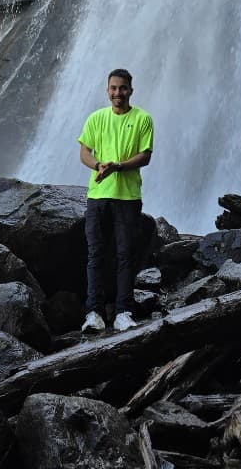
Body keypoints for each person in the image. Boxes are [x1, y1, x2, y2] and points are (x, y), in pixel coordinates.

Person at [78, 68, 154, 333]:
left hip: (128, 197)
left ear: (130, 90)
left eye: (122, 88)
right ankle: (93, 313)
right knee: (95, 255)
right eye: (113, 88)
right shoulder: (96, 119)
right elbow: (84, 152)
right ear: (107, 90)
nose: (117, 93)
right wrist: (99, 164)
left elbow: (146, 156)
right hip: (97, 197)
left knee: (125, 256)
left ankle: (123, 312)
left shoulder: (143, 119)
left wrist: (118, 166)